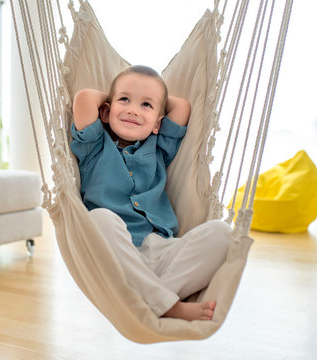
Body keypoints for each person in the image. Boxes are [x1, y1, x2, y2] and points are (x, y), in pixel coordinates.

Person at [70, 65, 232, 321]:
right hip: (116, 250)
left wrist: (139, 98)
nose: (133, 110)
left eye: (146, 105)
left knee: (223, 234)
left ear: (158, 123)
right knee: (99, 218)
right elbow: (83, 99)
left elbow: (182, 108)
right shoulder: (94, 147)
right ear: (105, 111)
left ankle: (150, 298)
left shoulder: (158, 148)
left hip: (162, 250)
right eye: (125, 100)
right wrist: (115, 99)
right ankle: (167, 305)